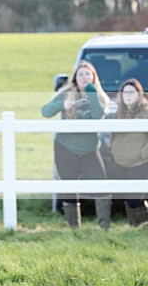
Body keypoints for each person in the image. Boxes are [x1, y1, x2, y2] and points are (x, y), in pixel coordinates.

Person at [41, 61, 110, 229]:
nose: (84, 77)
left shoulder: (99, 96)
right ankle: (74, 228)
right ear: (75, 78)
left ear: (93, 77)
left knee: (101, 185)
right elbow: (45, 111)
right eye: (81, 74)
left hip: (89, 149)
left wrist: (91, 94)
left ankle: (104, 227)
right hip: (66, 147)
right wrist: (62, 105)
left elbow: (98, 116)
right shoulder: (66, 94)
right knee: (69, 186)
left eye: (88, 74)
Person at [108, 78, 148, 226]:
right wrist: (113, 149)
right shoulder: (118, 113)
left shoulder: (145, 113)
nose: (128, 95)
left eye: (132, 92)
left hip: (140, 162)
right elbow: (113, 135)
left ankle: (142, 223)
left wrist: (143, 153)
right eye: (125, 93)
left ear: (139, 94)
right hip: (121, 162)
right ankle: (136, 227)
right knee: (127, 198)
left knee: (134, 198)